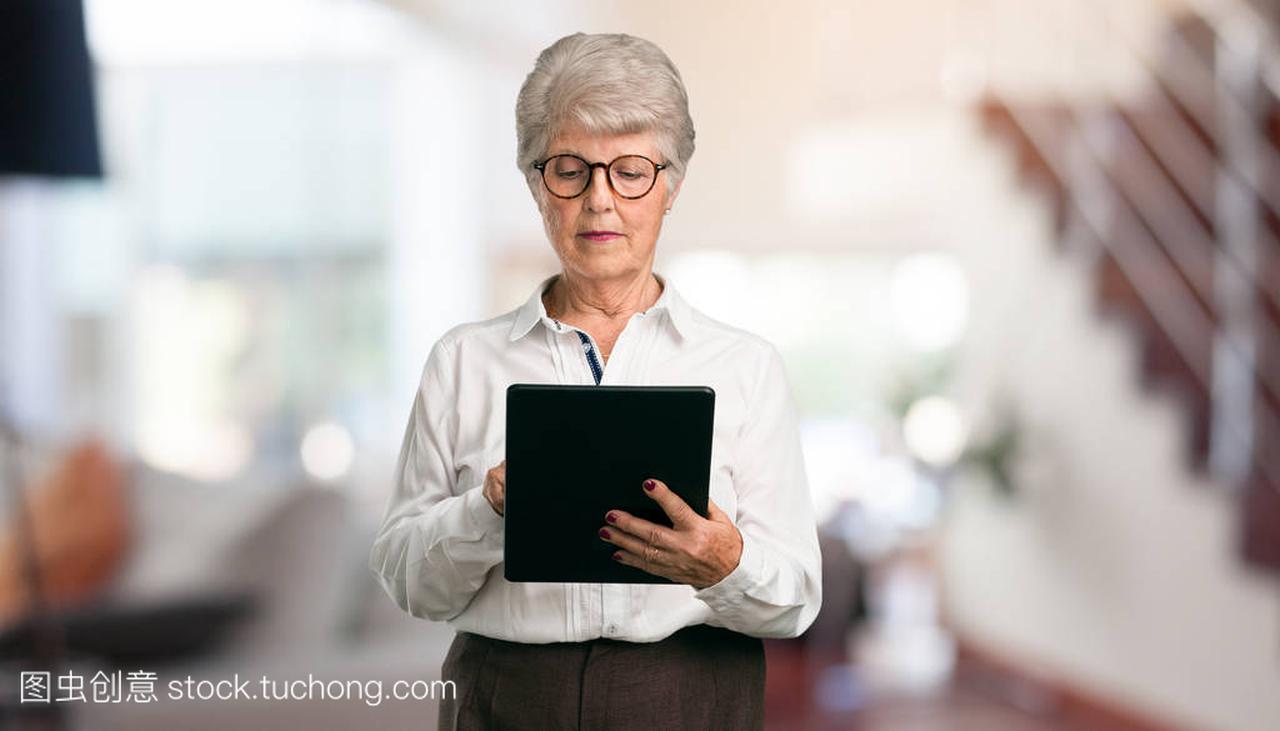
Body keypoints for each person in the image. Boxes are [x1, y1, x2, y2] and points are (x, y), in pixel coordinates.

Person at [369, 32, 821, 730]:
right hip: (506, 696)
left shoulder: (745, 367)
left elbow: (796, 600)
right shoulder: (462, 361)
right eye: (569, 169)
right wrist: (486, 512)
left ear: (670, 187)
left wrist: (726, 562)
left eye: (631, 169)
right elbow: (406, 578)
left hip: (694, 692)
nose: (600, 199)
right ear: (534, 183)